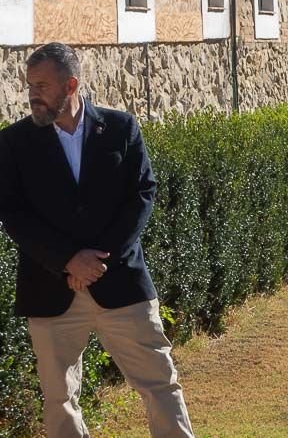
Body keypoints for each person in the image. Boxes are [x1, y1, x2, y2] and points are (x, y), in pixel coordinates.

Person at [0, 43, 193, 437]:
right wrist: (69, 261)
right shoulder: (13, 142)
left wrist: (99, 261)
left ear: (70, 85)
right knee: (59, 399)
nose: (33, 94)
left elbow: (142, 193)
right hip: (49, 289)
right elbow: (13, 214)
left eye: (42, 85)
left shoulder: (121, 128)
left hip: (121, 283)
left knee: (160, 384)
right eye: (29, 86)